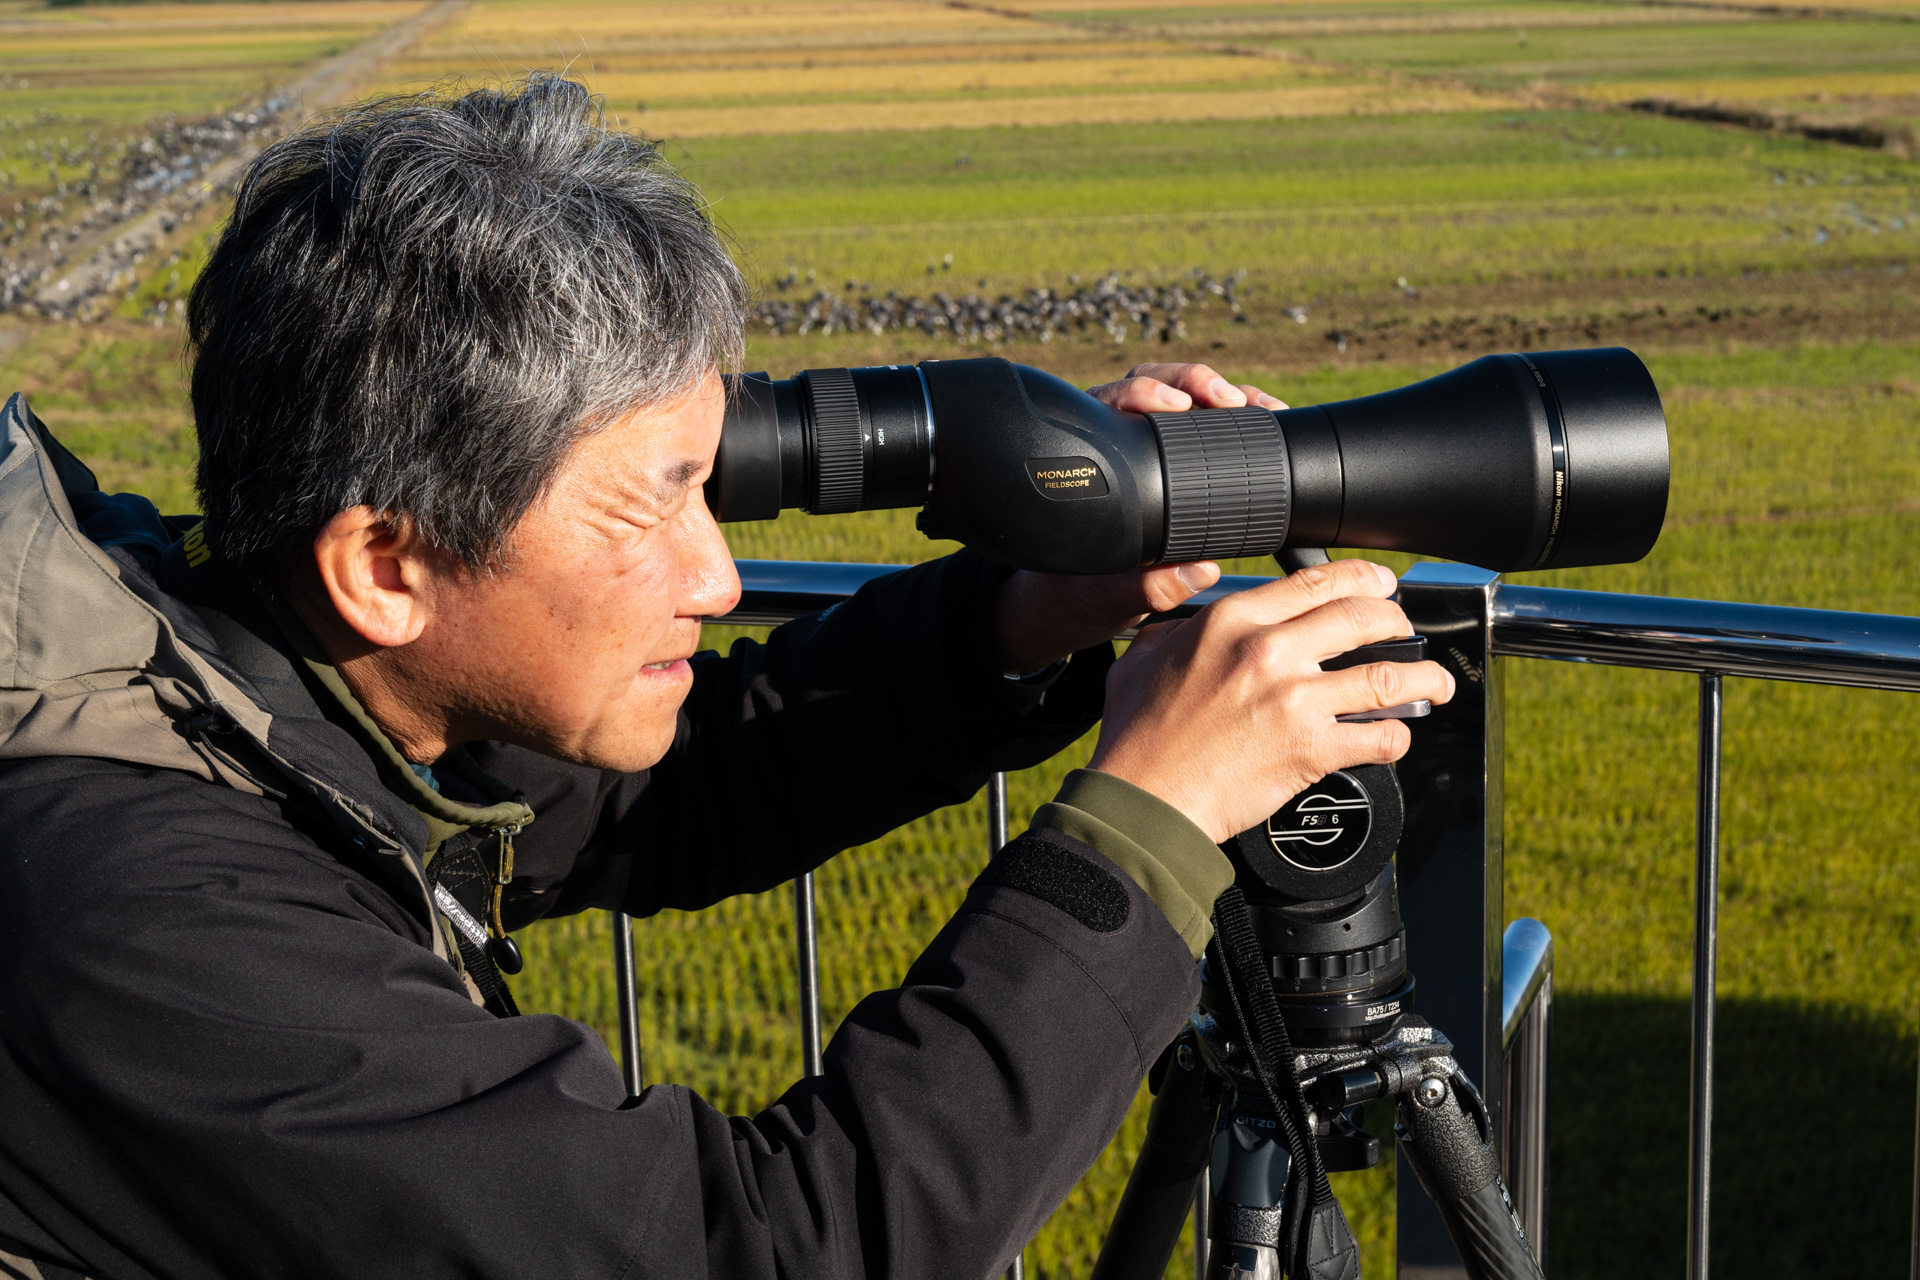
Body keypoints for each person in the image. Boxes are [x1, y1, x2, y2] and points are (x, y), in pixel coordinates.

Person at [0, 75, 1452, 1280]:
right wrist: (1149, 828)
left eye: (711, 484)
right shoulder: (147, 928)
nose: (715, 576)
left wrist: (1027, 612)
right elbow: (754, 1253)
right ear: (384, 566)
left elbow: (670, 796)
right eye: (651, 507)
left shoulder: (257, 680)